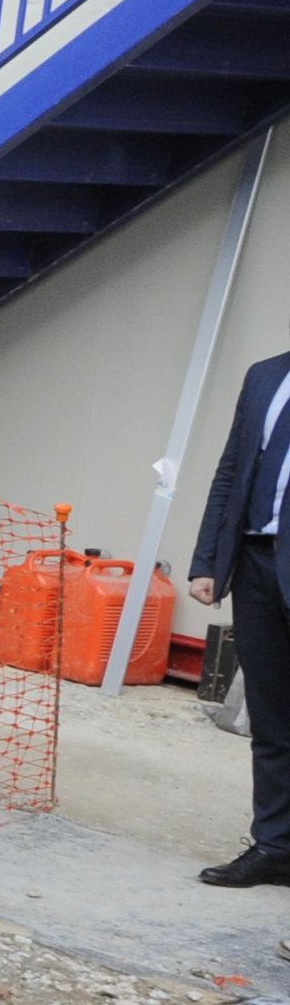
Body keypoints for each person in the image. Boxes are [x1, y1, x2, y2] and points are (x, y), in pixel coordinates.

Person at [186, 342, 290, 889]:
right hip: (255, 563)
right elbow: (230, 470)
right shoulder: (265, 376)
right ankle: (275, 847)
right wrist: (209, 560)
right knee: (272, 720)